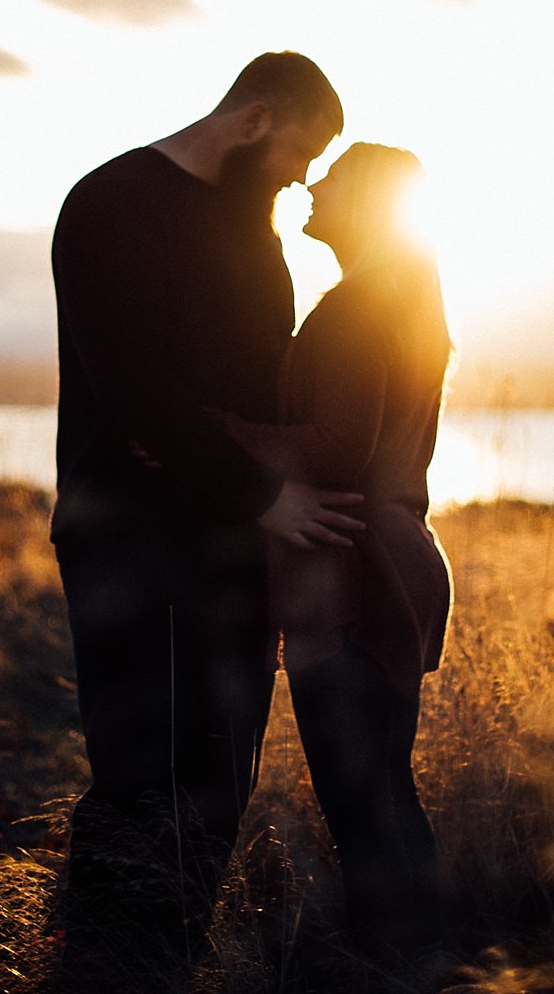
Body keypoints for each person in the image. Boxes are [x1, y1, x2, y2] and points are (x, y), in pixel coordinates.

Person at [48, 51, 365, 983]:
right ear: (255, 118)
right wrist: (264, 488)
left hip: (232, 548)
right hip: (127, 542)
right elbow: (134, 387)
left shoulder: (258, 239)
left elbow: (257, 390)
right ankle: (102, 968)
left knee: (224, 776)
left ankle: (168, 964)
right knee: (138, 775)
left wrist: (224, 453)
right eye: (300, 155)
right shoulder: (110, 203)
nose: (301, 180)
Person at [213, 142, 454, 978]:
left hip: (354, 578)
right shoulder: (399, 300)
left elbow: (339, 444)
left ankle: (395, 963)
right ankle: (419, 959)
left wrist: (225, 434)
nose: (314, 184)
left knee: (364, 804)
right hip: (392, 567)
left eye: (337, 178)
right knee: (385, 791)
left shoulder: (357, 308)